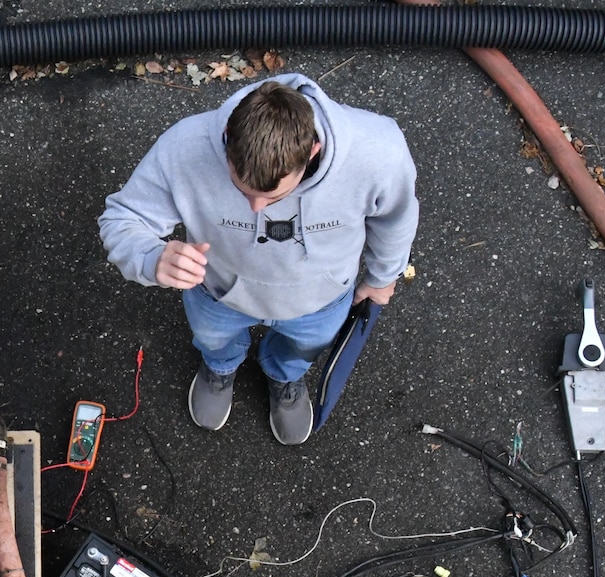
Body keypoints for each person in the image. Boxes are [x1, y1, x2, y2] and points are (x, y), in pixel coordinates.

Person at [98, 73, 418, 445]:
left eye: (272, 197)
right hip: (217, 293)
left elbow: (396, 217)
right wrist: (151, 257)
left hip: (320, 301)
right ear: (227, 137)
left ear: (311, 151)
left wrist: (383, 277)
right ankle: (220, 367)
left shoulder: (379, 151)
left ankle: (286, 375)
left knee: (304, 348)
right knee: (214, 340)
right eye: (241, 188)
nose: (255, 208)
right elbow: (122, 219)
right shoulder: (183, 147)